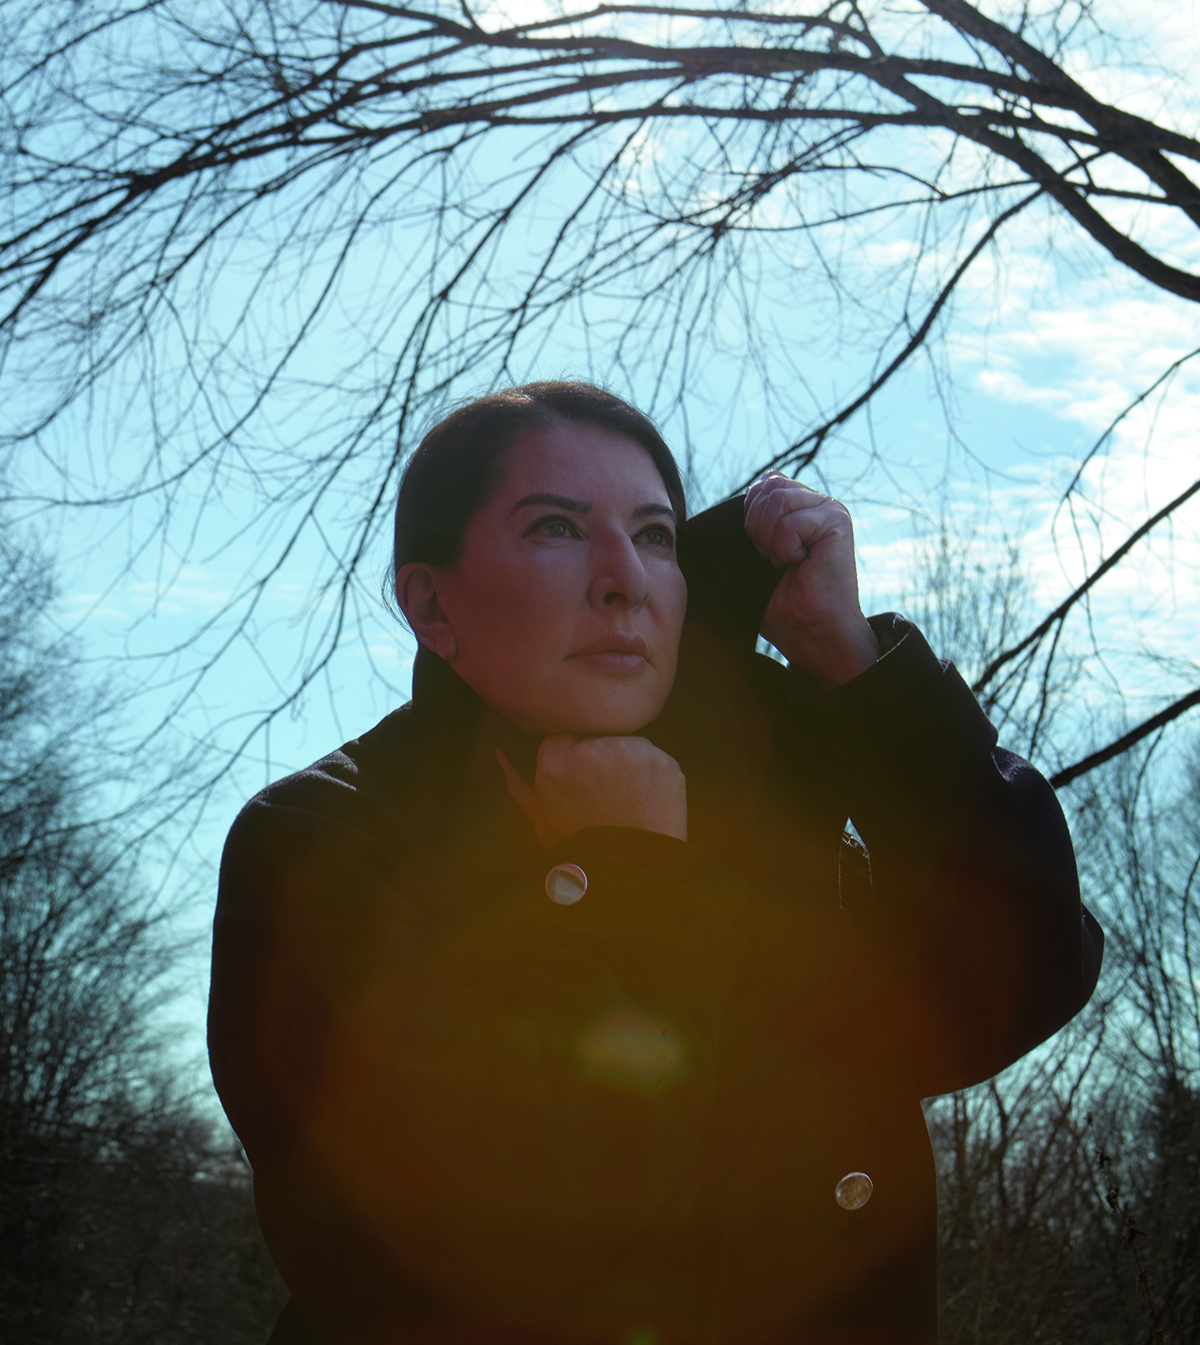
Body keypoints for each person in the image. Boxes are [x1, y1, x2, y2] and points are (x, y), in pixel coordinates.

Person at [208, 381, 1103, 1345]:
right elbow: (477, 1258)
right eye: (555, 527)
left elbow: (1011, 979)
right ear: (431, 603)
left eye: (656, 537)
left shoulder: (757, 833)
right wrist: (621, 876)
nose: (623, 578)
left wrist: (851, 668)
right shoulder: (323, 841)